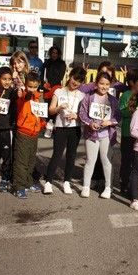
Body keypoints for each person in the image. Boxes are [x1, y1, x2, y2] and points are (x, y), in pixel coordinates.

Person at [43, 67, 86, 195]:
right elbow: (50, 110)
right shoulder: (59, 91)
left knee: (71, 156)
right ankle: (48, 182)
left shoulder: (82, 95)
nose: (75, 82)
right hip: (60, 127)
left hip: (75, 129)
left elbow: (84, 116)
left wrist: (76, 116)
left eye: (79, 81)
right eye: (74, 78)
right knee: (57, 155)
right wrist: (59, 108)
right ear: (70, 76)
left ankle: (67, 182)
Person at [78, 72, 120, 199]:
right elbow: (82, 113)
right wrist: (90, 123)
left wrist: (110, 122)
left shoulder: (113, 100)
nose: (104, 86)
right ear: (96, 83)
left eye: (107, 84)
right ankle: (86, 186)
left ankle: (108, 188)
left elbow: (118, 116)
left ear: (110, 85)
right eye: (101, 83)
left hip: (107, 135)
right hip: (91, 134)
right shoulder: (89, 97)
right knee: (90, 160)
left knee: (106, 161)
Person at [11, 72, 47, 199]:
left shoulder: (39, 97)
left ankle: (28, 182)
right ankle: (19, 187)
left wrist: (43, 124)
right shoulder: (23, 95)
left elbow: (41, 115)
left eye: (35, 87)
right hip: (23, 133)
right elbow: (23, 98)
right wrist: (24, 93)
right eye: (30, 86)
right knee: (21, 161)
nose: (32, 89)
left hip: (35, 133)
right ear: (26, 85)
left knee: (31, 161)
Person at [118, 69, 138, 197]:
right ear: (131, 82)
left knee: (137, 161)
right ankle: (124, 184)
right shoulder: (126, 95)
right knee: (126, 160)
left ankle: (134, 185)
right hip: (127, 134)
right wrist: (133, 111)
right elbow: (121, 112)